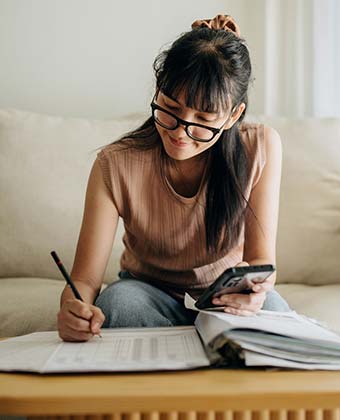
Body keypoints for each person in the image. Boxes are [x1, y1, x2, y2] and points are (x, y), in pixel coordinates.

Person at [57, 14, 290, 342]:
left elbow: (262, 261)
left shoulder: (260, 146)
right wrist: (72, 306)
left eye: (203, 119)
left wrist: (256, 291)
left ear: (233, 115)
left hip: (224, 296)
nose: (181, 132)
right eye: (170, 108)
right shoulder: (115, 163)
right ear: (157, 90)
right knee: (118, 305)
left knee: (278, 319)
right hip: (148, 292)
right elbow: (84, 279)